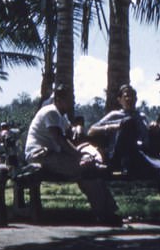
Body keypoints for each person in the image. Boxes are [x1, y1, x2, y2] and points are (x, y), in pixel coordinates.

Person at [24, 85, 121, 225]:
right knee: (87, 169)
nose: (72, 103)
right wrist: (80, 156)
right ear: (58, 99)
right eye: (69, 100)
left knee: (90, 169)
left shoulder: (61, 116)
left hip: (53, 155)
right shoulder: (50, 112)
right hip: (39, 156)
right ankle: (105, 213)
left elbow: (71, 134)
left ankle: (107, 211)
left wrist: (77, 129)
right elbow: (60, 140)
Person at [87, 85, 160, 225]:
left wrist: (155, 126)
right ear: (120, 99)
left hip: (141, 156)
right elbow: (91, 131)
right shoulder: (115, 115)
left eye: (132, 96)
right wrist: (115, 126)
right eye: (126, 96)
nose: (130, 99)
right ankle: (127, 164)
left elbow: (149, 136)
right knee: (128, 122)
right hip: (120, 157)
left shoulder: (141, 116)